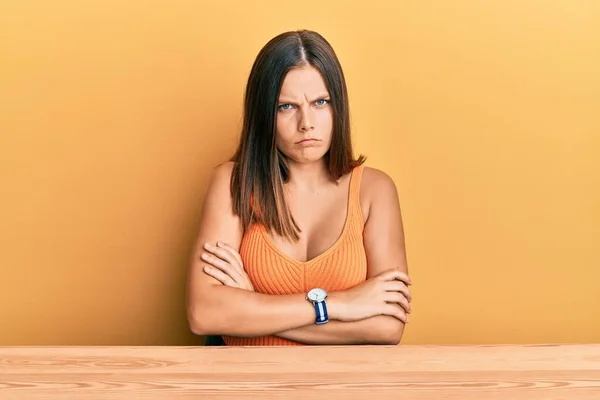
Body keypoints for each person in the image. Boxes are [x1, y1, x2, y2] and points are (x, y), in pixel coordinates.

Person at [186, 29, 412, 346]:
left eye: (321, 102)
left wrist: (253, 307)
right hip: (246, 388)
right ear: (264, 115)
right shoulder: (232, 183)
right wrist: (337, 304)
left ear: (339, 107)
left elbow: (388, 326)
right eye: (286, 107)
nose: (307, 122)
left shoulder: (375, 190)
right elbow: (205, 313)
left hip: (344, 389)